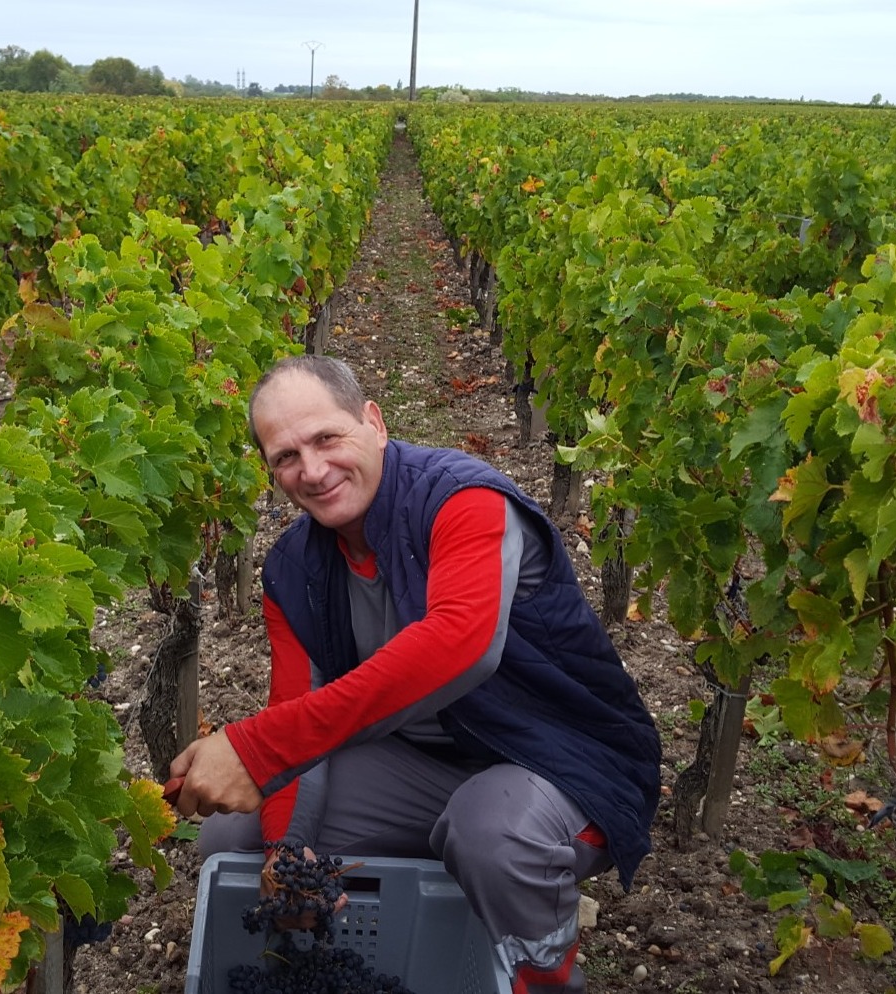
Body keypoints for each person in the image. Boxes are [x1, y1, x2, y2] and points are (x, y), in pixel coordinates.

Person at [170, 354, 661, 994]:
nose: (312, 471)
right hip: (423, 770)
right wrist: (287, 851)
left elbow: (461, 643)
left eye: (326, 438)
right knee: (235, 833)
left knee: (490, 831)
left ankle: (543, 978)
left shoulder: (463, 500)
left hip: (562, 762)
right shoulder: (293, 571)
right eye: (285, 458)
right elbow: (300, 712)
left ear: (373, 421)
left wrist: (257, 746)